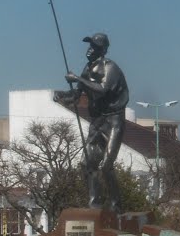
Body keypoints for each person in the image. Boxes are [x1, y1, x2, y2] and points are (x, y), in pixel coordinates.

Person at [55, 32, 129, 213]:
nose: (89, 50)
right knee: (87, 163)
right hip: (97, 121)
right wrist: (63, 96)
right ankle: (95, 204)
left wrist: (78, 79)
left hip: (113, 121)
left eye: (94, 47)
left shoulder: (111, 68)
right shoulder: (87, 70)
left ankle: (115, 206)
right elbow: (77, 95)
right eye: (89, 46)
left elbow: (102, 90)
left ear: (102, 50)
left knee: (106, 166)